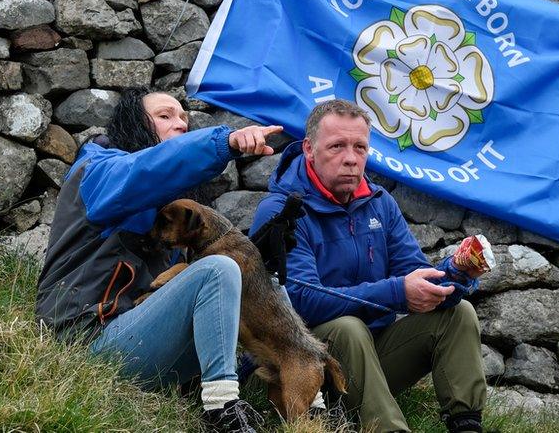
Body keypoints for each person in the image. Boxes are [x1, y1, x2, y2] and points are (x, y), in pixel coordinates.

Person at [35, 88, 281, 433]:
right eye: (165, 116)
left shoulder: (173, 210)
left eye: (184, 118)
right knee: (217, 270)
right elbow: (146, 170)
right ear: (135, 125)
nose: (180, 124)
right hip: (86, 340)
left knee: (267, 286)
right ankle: (222, 410)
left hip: (142, 343)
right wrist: (222, 143)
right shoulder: (99, 171)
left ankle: (297, 402)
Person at [249, 99, 487, 433]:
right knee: (347, 327)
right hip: (307, 368)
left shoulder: (379, 203)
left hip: (373, 358)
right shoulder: (281, 211)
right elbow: (300, 301)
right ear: (309, 149)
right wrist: (397, 292)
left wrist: (457, 274)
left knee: (458, 313)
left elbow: (414, 273)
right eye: (337, 146)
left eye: (360, 147)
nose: (350, 158)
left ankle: (466, 425)